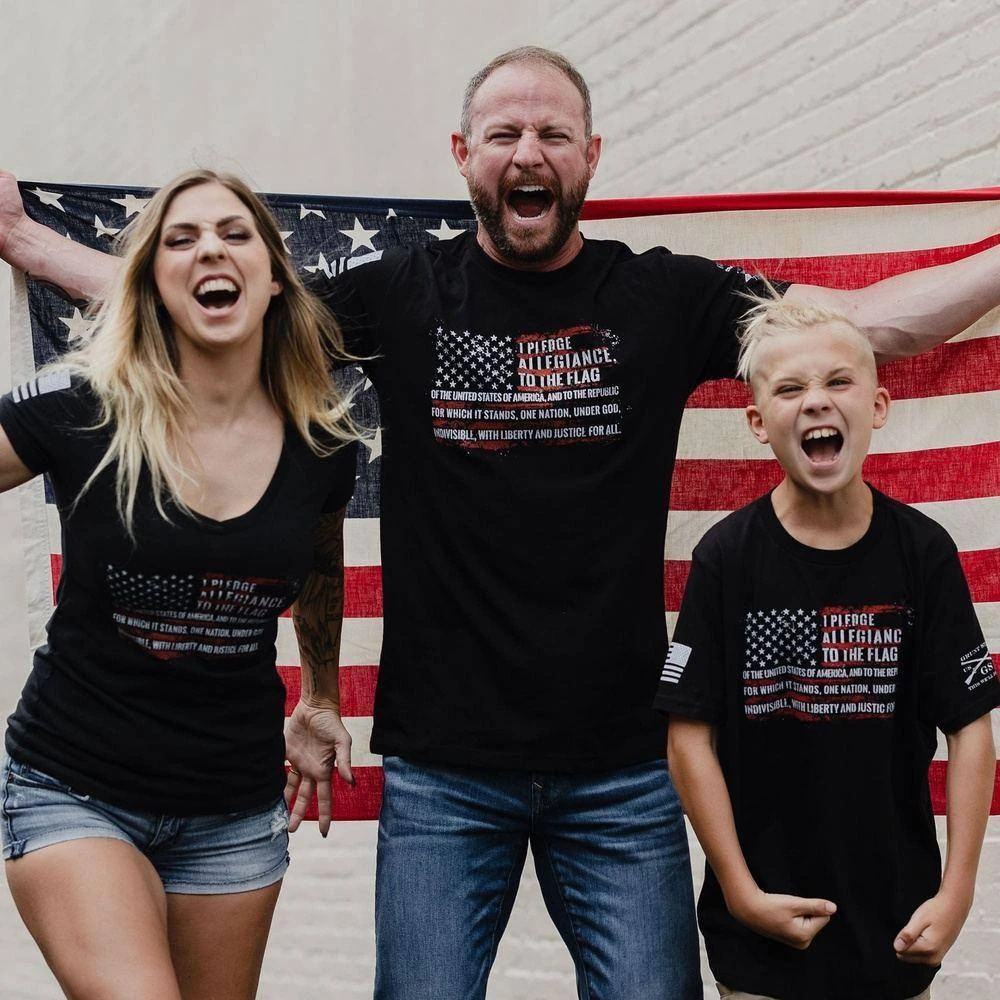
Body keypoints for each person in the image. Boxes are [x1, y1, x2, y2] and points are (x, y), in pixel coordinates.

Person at [2, 45, 999, 1000]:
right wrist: (30, 244)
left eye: (553, 134)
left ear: (590, 156)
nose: (529, 152)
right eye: (504, 133)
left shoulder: (665, 296)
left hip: (621, 771)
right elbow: (202, 307)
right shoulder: (402, 293)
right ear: (462, 154)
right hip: (444, 773)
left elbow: (861, 326)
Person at [0, 169, 359, 1000]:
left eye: (235, 234)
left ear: (275, 277)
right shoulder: (85, 405)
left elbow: (318, 569)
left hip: (232, 814)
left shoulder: (321, 442)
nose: (210, 251)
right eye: (181, 239)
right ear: (152, 282)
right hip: (74, 788)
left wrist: (320, 697)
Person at [658, 296, 999, 1000]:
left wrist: (958, 892)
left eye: (838, 381)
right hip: (760, 943)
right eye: (789, 388)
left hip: (895, 935)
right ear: (758, 423)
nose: (816, 400)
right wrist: (742, 893)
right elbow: (688, 738)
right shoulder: (726, 559)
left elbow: (970, 729)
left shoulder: (923, 553)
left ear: (877, 406)